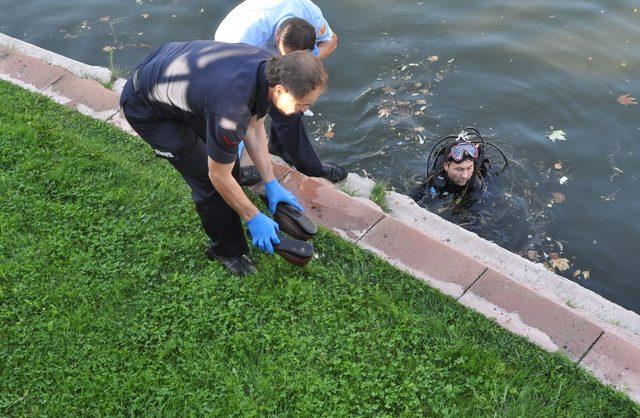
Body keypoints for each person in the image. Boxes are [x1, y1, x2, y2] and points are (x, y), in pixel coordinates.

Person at [119, 41, 328, 276]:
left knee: (226, 161)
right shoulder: (230, 111)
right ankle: (226, 251)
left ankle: (238, 186)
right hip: (148, 109)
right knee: (210, 183)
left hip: (177, 81)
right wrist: (253, 217)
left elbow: (255, 126)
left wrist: (271, 182)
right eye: (303, 104)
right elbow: (217, 175)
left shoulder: (269, 67)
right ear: (280, 90)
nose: (304, 110)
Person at [214, 0, 347, 183]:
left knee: (291, 107)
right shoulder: (244, 36)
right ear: (277, 38)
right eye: (288, 56)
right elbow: (234, 82)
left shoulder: (309, 11)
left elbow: (331, 41)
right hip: (234, 62)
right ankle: (236, 173)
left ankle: (277, 147)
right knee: (245, 119)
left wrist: (304, 64)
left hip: (266, 58)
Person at [409, 134, 493, 207]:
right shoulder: (437, 174)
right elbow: (418, 192)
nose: (465, 175)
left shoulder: (475, 183)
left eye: (469, 168)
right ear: (446, 166)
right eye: (459, 169)